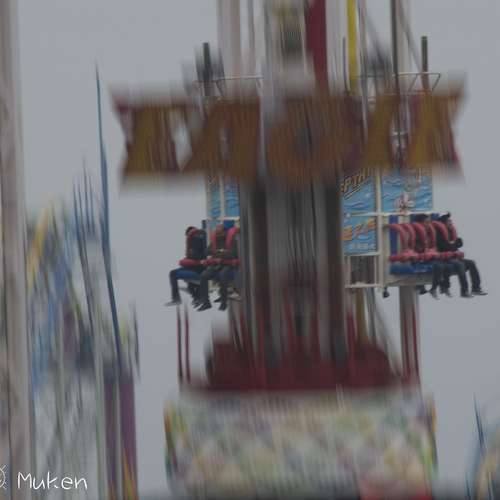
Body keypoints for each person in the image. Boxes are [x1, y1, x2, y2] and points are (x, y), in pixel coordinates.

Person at [436, 213, 487, 297]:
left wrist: (453, 244)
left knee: (471, 263)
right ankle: (464, 291)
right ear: (444, 223)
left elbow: (460, 242)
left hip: (455, 257)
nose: (451, 223)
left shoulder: (451, 233)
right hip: (445, 260)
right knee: (460, 265)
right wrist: (453, 244)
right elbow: (444, 247)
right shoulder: (439, 235)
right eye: (449, 221)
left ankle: (476, 288)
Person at [197, 224, 239, 312]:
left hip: (228, 264)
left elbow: (234, 253)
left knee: (223, 275)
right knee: (203, 275)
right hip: (216, 265)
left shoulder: (231, 240)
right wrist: (217, 253)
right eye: (216, 230)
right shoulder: (215, 240)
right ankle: (206, 302)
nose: (217, 231)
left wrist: (221, 255)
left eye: (219, 230)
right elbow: (207, 251)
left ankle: (224, 302)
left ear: (224, 231)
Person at [166, 226, 206, 306]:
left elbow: (197, 257)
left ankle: (176, 299)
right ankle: (197, 298)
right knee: (186, 277)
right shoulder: (201, 239)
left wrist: (186, 261)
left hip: (197, 271)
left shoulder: (195, 241)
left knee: (173, 274)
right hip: (196, 269)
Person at [414, 213, 445, 299]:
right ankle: (429, 287)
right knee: (438, 266)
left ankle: (440, 286)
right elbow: (416, 248)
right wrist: (425, 251)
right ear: (420, 223)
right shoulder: (416, 234)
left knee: (443, 264)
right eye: (426, 222)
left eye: (429, 222)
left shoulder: (430, 233)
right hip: (419, 258)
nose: (428, 224)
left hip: (430, 257)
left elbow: (434, 245)